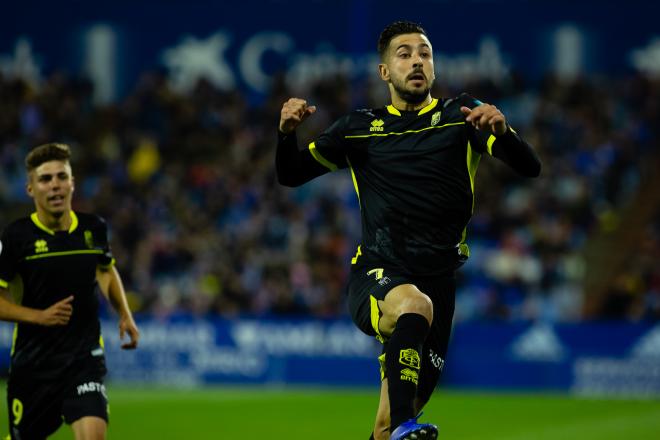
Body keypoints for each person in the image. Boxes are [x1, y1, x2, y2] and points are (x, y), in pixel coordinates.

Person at [276, 20, 541, 440]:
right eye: (404, 54)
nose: (417, 60)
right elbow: (290, 174)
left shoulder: (462, 116)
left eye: (425, 53)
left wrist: (503, 132)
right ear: (385, 72)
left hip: (440, 286)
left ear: (433, 68)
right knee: (414, 312)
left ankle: (397, 426)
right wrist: (286, 134)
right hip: (378, 273)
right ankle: (406, 427)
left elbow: (530, 167)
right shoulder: (357, 128)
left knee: (383, 428)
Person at [0, 143, 140, 439]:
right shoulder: (16, 238)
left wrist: (125, 314)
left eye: (62, 177)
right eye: (45, 179)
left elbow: (105, 269)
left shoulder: (93, 228)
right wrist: (40, 317)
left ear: (72, 184)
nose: (55, 186)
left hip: (83, 359)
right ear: (30, 189)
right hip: (33, 365)